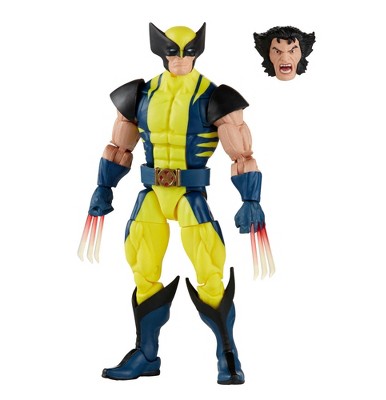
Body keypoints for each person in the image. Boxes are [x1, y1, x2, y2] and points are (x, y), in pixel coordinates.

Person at [78, 22, 273, 385]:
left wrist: (250, 198)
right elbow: (120, 146)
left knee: (210, 271)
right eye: (173, 51)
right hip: (152, 193)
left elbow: (243, 154)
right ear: (160, 50)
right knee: (141, 268)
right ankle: (146, 354)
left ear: (198, 51)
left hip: (190, 195)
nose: (181, 58)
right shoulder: (140, 94)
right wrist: (104, 187)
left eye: (188, 51)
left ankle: (227, 353)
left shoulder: (215, 97)